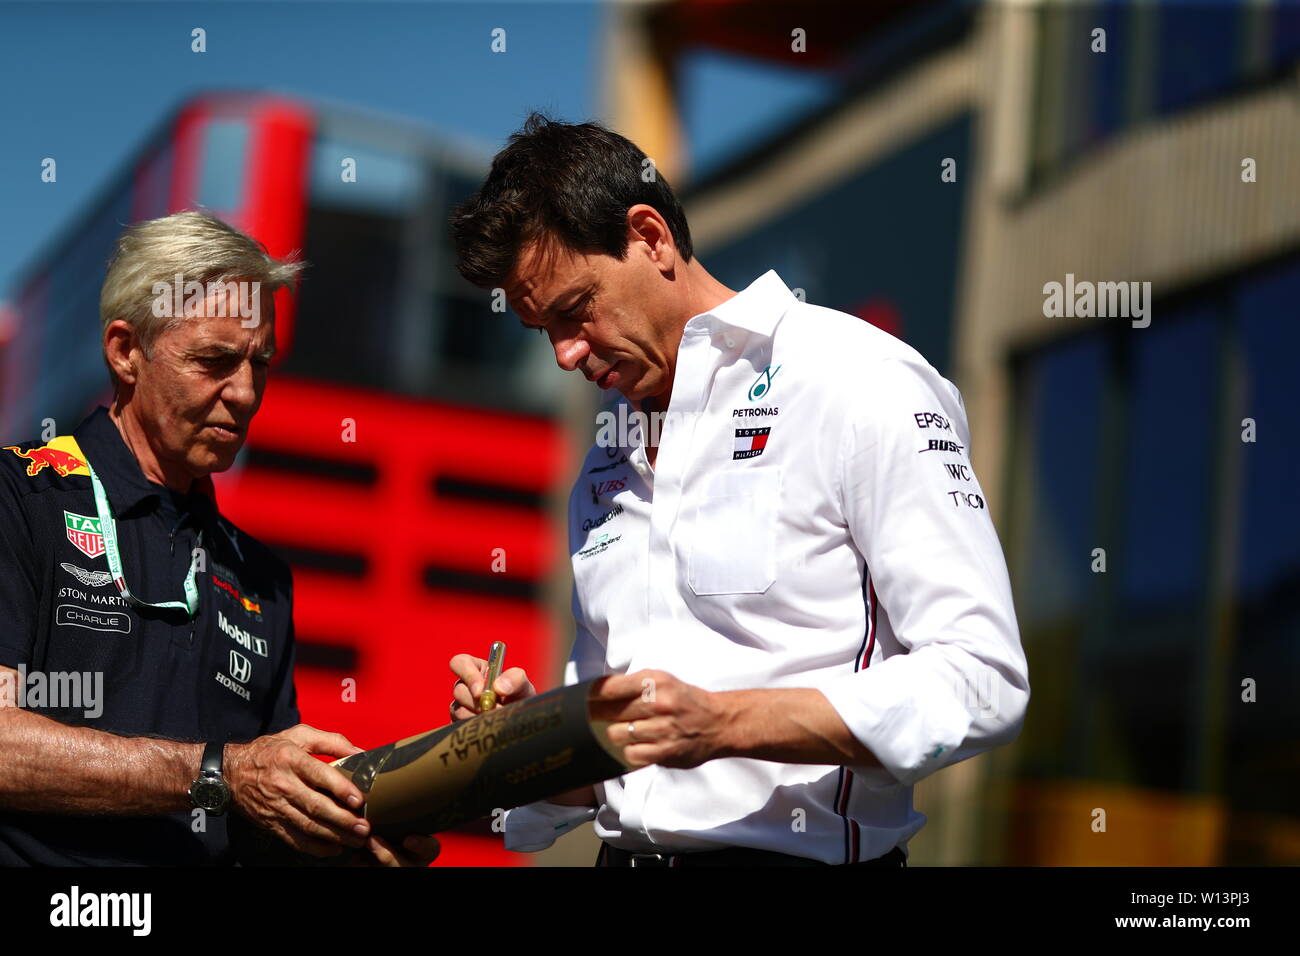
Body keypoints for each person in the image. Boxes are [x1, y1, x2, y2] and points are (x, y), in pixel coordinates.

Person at [446, 112, 1030, 866]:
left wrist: (724, 724)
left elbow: (982, 679)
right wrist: (534, 740)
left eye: (574, 309)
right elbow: (616, 770)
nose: (565, 355)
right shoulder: (604, 460)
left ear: (651, 237)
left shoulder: (860, 379)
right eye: (541, 331)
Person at [0, 210, 438, 867]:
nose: (245, 393)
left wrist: (357, 832)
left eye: (260, 363)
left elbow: (261, 817)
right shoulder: (20, 496)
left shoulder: (259, 575)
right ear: (126, 351)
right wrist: (218, 773)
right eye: (214, 360)